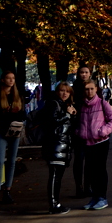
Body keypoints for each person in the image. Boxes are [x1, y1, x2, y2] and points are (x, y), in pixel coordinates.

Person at [0, 71, 26, 204]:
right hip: (1, 131)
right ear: (2, 80)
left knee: (12, 161)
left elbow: (23, 115)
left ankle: (7, 190)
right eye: (8, 78)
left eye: (13, 78)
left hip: (14, 132)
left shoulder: (17, 95)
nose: (11, 80)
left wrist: (15, 113)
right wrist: (4, 113)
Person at [77, 79, 112, 210]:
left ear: (96, 89)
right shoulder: (82, 106)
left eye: (91, 89)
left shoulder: (102, 103)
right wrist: (79, 133)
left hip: (101, 142)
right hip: (87, 143)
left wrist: (103, 131)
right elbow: (78, 123)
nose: (89, 91)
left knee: (100, 170)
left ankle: (102, 198)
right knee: (90, 170)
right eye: (86, 89)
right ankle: (94, 197)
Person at [41, 81, 77, 214]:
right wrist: (67, 114)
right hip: (55, 144)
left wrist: (71, 115)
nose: (65, 93)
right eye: (62, 90)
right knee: (55, 175)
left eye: (67, 91)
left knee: (57, 176)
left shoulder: (63, 105)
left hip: (62, 145)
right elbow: (52, 121)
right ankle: (53, 204)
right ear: (57, 91)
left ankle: (56, 203)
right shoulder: (53, 103)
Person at [71, 65, 92, 197]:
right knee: (79, 159)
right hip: (78, 127)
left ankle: (87, 187)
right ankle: (79, 187)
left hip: (91, 129)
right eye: (81, 72)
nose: (83, 74)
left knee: (89, 160)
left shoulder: (94, 88)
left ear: (89, 74)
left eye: (86, 72)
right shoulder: (74, 89)